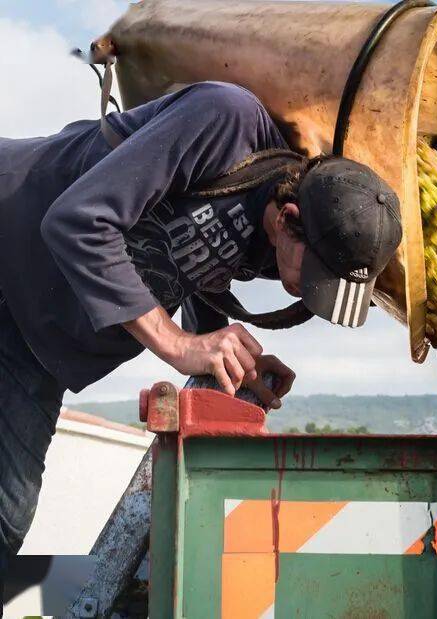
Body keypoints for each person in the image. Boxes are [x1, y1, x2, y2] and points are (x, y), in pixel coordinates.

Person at [0, 81, 403, 583]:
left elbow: (194, 261)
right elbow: (78, 222)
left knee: (6, 523)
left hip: (37, 346)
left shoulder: (269, 244)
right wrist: (179, 344)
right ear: (291, 221)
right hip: (10, 243)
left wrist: (225, 356)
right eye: (314, 278)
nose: (304, 295)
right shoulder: (222, 122)